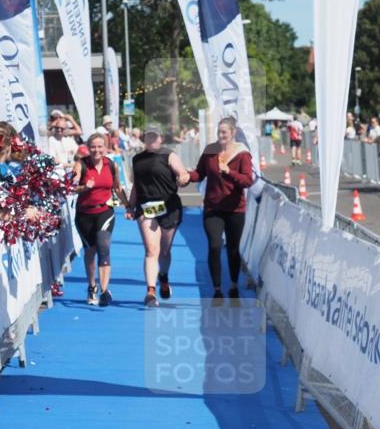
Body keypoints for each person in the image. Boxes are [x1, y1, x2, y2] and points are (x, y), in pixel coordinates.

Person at [190, 117, 254, 301]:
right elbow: (200, 173)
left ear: (233, 133)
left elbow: (247, 181)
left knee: (233, 249)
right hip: (213, 207)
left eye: (224, 132)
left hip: (235, 209)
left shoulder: (242, 154)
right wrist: (187, 176)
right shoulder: (210, 151)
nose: (221, 135)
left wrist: (229, 172)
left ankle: (233, 284)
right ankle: (217, 288)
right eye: (219, 132)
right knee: (215, 245)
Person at [128, 127, 190, 306]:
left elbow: (183, 174)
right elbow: (136, 186)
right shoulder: (137, 159)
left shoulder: (168, 155)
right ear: (144, 139)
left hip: (169, 207)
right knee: (150, 250)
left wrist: (183, 179)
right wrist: (131, 206)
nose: (152, 140)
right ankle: (150, 292)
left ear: (160, 139)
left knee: (164, 251)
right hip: (146, 208)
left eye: (155, 137)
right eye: (148, 137)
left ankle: (163, 276)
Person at [73, 132, 127, 306]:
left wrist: (129, 205)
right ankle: (92, 286)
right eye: (93, 147)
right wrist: (84, 187)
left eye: (100, 146)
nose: (96, 150)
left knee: (104, 246)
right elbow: (71, 188)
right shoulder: (81, 165)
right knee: (90, 251)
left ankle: (104, 290)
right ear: (88, 148)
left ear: (105, 147)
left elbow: (118, 188)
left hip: (105, 211)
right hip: (84, 214)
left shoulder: (111, 165)